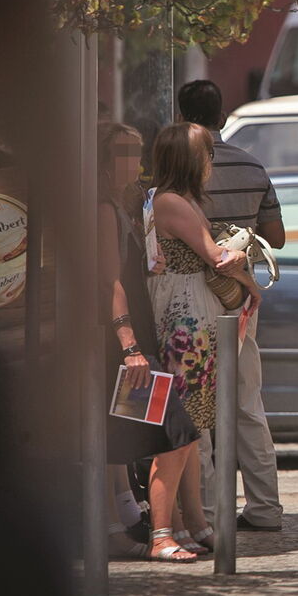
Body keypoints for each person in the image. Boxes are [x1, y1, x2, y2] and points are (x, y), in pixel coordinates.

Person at [146, 122, 260, 552]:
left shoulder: (177, 199)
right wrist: (242, 256)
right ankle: (163, 531)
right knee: (179, 428)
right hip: (184, 321)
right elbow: (217, 257)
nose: (211, 161)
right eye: (206, 153)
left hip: (192, 315)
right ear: (191, 160)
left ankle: (193, 523)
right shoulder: (173, 201)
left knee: (191, 428)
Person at [177, 80, 285, 532]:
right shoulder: (252, 164)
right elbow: (275, 237)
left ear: (182, 116)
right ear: (223, 116)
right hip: (240, 297)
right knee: (246, 404)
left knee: (197, 405)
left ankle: (205, 513)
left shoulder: (179, 170)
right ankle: (264, 508)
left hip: (192, 296)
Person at [97, 122, 206, 562]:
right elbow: (108, 280)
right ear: (102, 157)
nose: (133, 161)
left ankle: (139, 528)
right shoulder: (104, 207)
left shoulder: (126, 204)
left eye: (136, 151)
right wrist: (128, 343)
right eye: (122, 151)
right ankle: (161, 534)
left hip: (139, 339)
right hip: (125, 345)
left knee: (127, 438)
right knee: (172, 430)